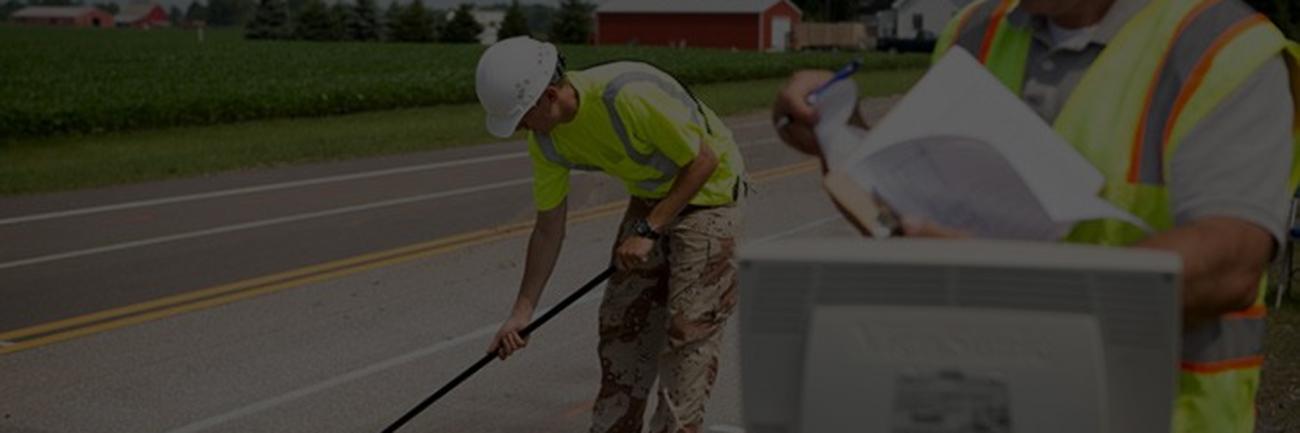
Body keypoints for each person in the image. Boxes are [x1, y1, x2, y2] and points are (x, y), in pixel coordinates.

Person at [773, 0, 1300, 432]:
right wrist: (840, 134)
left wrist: (1006, 279)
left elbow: (1230, 263)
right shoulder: (974, 30)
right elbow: (915, 212)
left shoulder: (1220, 46)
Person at [474, 36, 747, 433]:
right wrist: (521, 313)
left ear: (549, 96)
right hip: (652, 196)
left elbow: (704, 160)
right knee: (624, 322)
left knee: (688, 331)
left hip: (712, 193)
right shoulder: (546, 141)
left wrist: (648, 229)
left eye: (521, 119)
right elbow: (549, 229)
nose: (520, 130)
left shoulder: (627, 96)